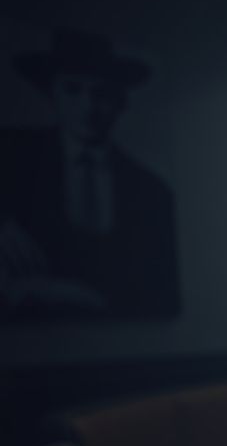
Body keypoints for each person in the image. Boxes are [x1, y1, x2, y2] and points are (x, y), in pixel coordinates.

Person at [0, 28, 179, 320]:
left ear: (121, 103)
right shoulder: (11, 155)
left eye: (102, 94)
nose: (88, 106)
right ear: (51, 93)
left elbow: (160, 290)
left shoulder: (150, 191)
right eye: (73, 89)